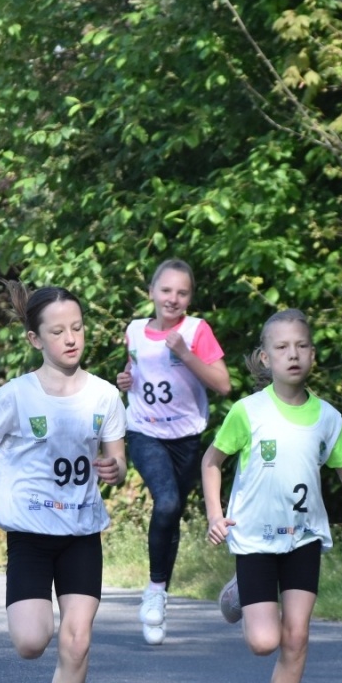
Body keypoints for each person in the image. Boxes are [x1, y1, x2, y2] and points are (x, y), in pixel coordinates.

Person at [0, 281, 127, 683]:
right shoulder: (15, 396)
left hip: (81, 533)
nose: (71, 338)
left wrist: (114, 469)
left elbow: (116, 459)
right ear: (36, 339)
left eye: (76, 327)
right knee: (32, 642)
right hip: (31, 537)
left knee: (77, 641)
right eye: (57, 331)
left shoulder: (104, 396)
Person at [201, 309, 342, 683]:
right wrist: (216, 515)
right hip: (254, 540)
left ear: (312, 355)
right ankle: (240, 591)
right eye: (281, 348)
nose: (292, 354)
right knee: (263, 641)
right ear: (265, 358)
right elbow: (212, 461)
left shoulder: (328, 418)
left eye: (300, 346)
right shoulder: (248, 411)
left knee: (295, 637)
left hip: (304, 538)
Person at [115, 259, 231, 644]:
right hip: (144, 431)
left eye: (182, 292)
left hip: (186, 435)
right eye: (166, 290)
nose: (173, 298)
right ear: (151, 292)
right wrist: (125, 380)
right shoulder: (133, 330)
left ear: (190, 297)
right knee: (165, 503)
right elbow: (134, 375)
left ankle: (159, 594)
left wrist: (185, 352)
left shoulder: (197, 331)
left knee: (173, 511)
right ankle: (154, 591)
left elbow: (224, 385)